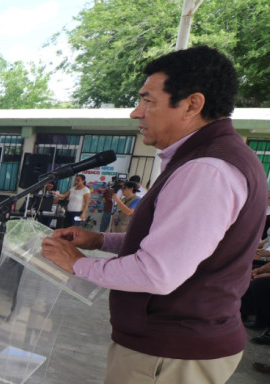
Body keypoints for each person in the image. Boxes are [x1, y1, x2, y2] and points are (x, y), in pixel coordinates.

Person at [40, 46, 265, 384]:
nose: (136, 113)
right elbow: (177, 245)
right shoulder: (208, 159)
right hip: (174, 347)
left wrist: (77, 263)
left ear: (192, 104)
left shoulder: (206, 169)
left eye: (148, 101)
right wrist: (100, 240)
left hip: (171, 353)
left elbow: (159, 272)